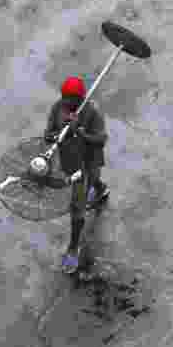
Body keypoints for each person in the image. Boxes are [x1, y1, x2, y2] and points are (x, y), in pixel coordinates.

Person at [44, 76, 109, 270]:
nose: (66, 102)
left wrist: (80, 132)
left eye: (71, 98)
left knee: (85, 193)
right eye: (64, 97)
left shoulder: (92, 112)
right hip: (70, 162)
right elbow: (48, 134)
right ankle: (100, 190)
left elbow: (101, 140)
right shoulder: (58, 108)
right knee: (79, 203)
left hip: (88, 161)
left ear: (81, 99)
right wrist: (57, 134)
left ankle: (73, 248)